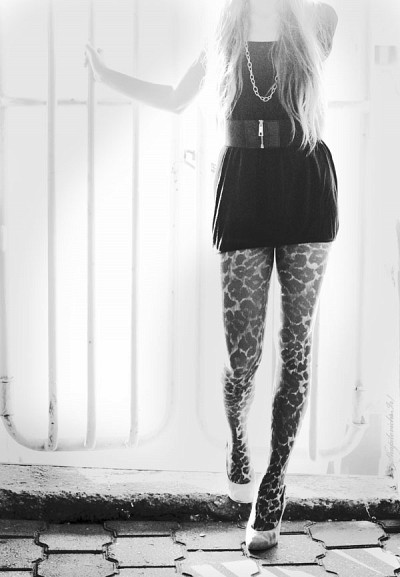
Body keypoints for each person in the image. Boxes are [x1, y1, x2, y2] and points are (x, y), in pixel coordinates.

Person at [85, 0, 339, 552]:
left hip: (306, 186)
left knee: (295, 348)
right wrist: (106, 76)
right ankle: (238, 441)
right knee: (241, 358)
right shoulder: (225, 31)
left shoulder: (317, 18)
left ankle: (273, 488)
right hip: (244, 188)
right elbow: (177, 98)